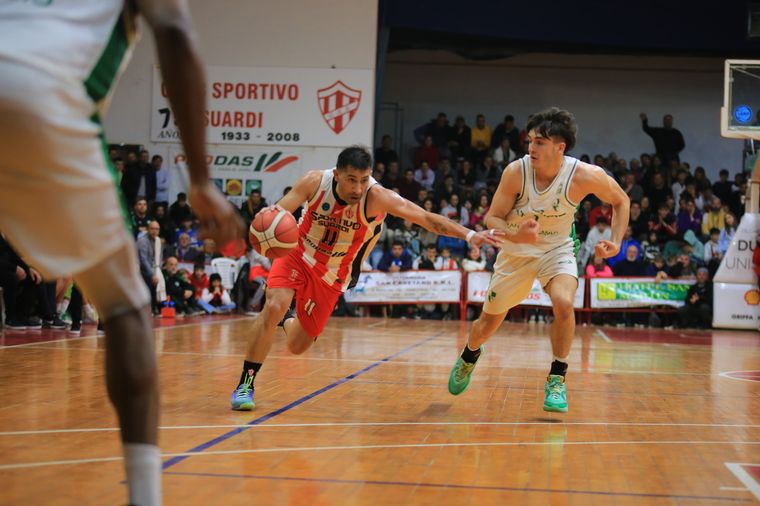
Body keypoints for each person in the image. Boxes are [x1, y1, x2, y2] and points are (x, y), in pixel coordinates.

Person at [0, 3, 243, 505]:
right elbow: (174, 30)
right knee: (127, 306)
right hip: (40, 95)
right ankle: (145, 496)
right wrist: (200, 180)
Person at [230, 146, 504, 410]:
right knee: (273, 306)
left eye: (363, 180)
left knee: (298, 345)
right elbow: (278, 213)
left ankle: (289, 316)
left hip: (334, 273)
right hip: (298, 254)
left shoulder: (378, 197)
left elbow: (425, 218)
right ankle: (246, 384)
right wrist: (264, 228)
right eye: (351, 180)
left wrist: (469, 234)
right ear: (336, 175)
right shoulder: (314, 182)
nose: (358, 189)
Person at [446, 107, 630, 414]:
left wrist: (617, 241)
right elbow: (493, 216)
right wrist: (517, 236)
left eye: (540, 142)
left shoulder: (585, 175)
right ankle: (469, 355)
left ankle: (557, 377)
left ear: (560, 147)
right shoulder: (516, 171)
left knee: (563, 302)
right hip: (516, 252)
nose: (531, 147)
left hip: (557, 248)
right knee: (486, 324)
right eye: (530, 140)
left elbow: (621, 200)